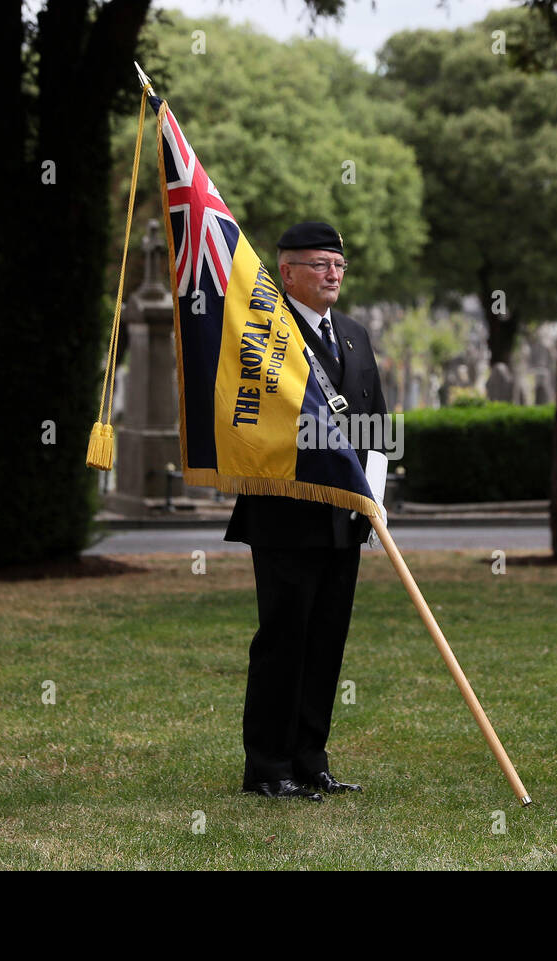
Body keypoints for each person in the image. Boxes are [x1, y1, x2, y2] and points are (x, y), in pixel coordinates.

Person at [224, 221, 388, 802]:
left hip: (344, 517)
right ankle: (267, 766)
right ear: (286, 271)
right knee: (284, 639)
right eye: (320, 265)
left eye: (339, 265)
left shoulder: (354, 335)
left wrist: (376, 501)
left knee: (327, 640)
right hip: (285, 515)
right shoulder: (264, 332)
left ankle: (310, 758)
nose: (333, 274)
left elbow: (375, 422)